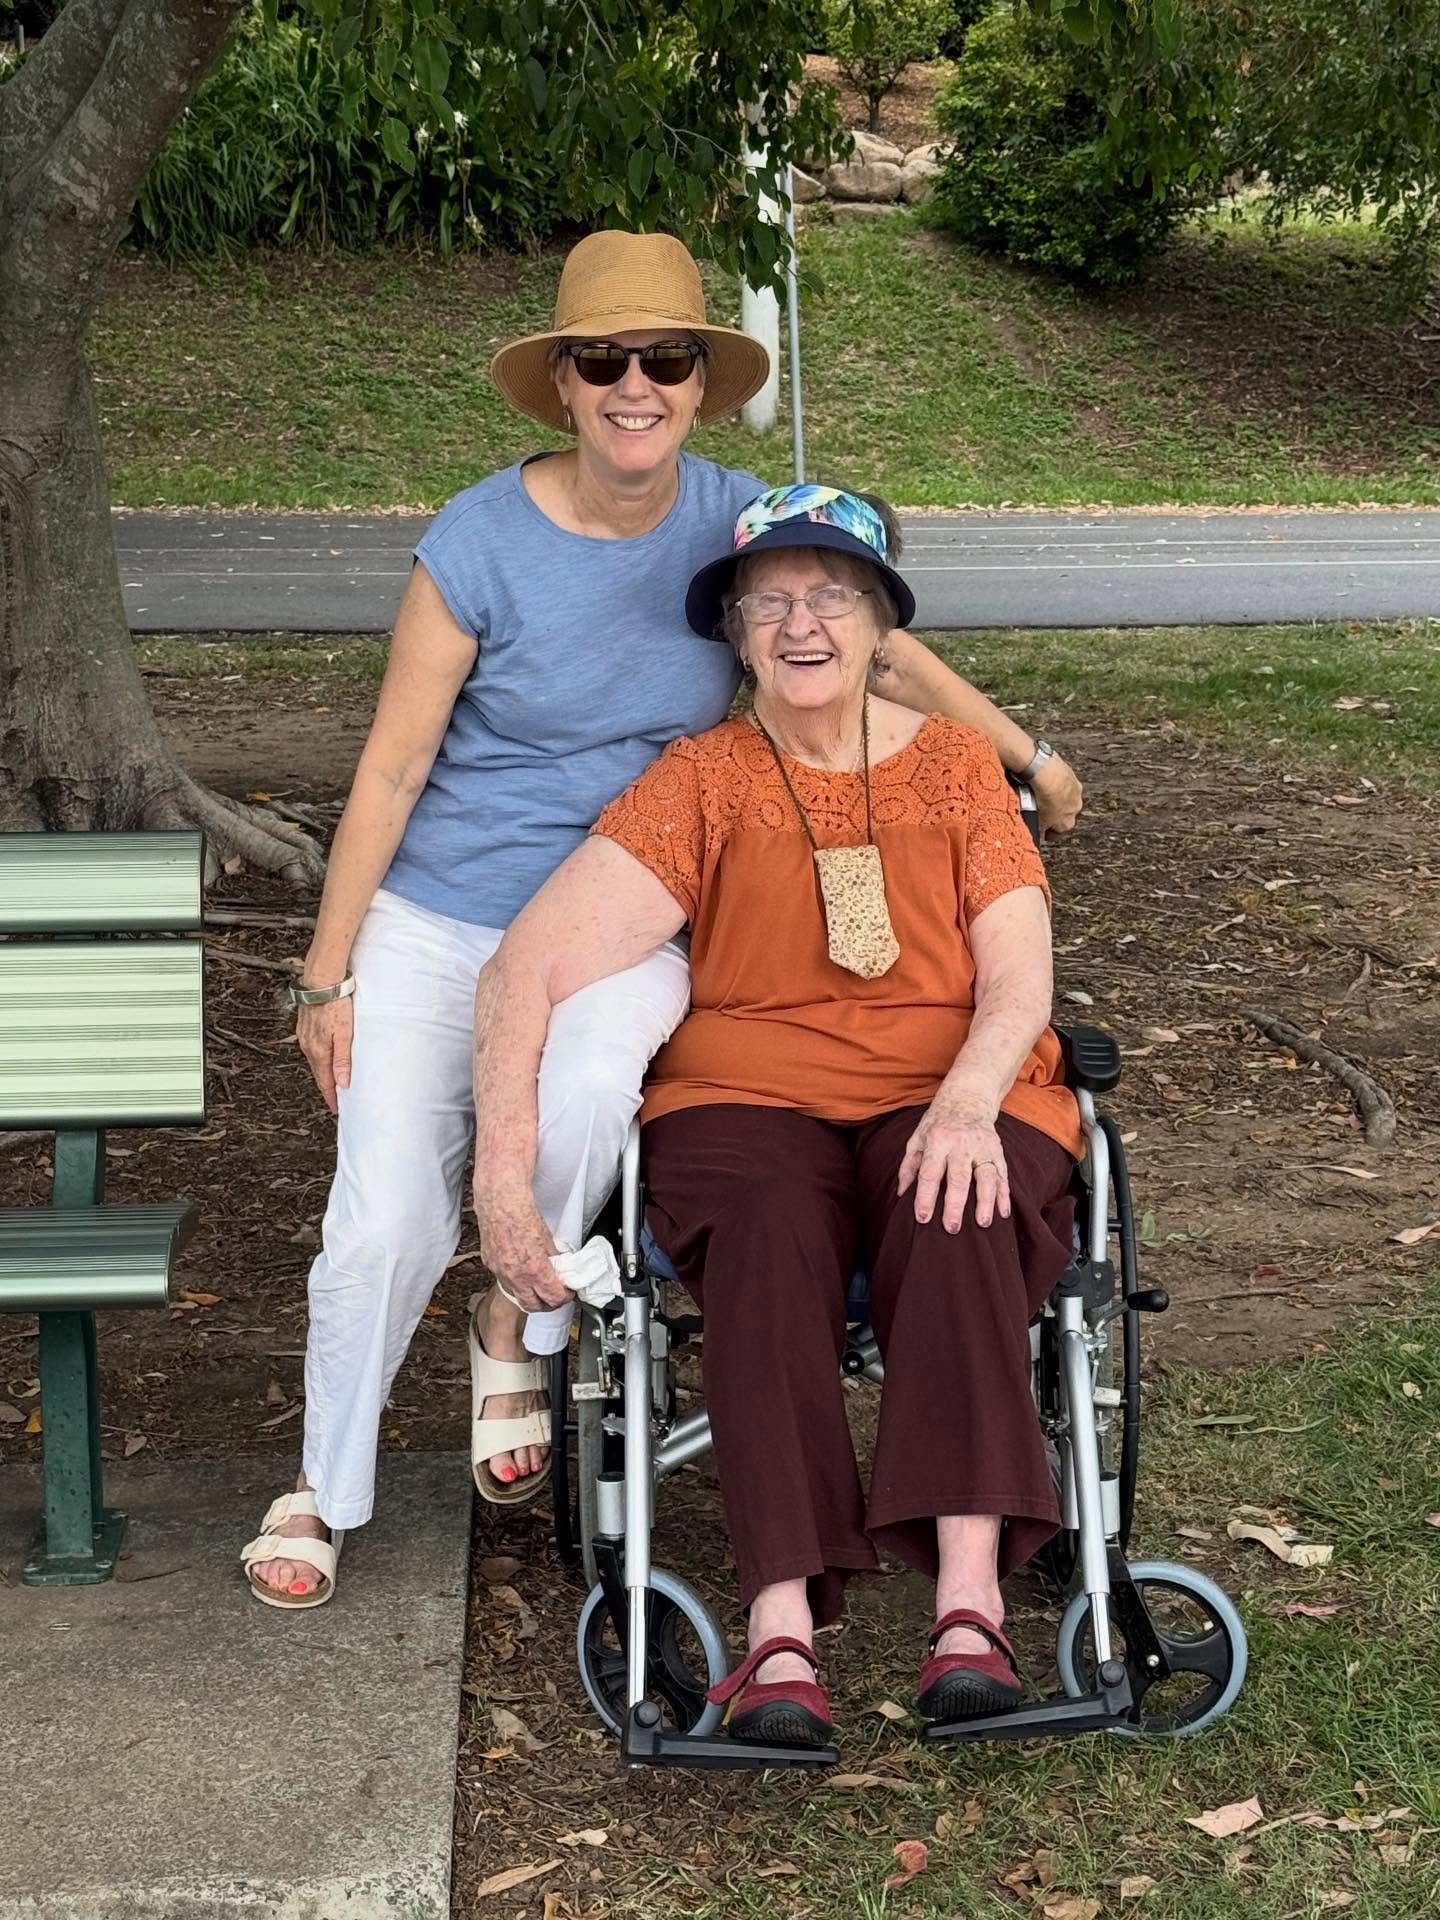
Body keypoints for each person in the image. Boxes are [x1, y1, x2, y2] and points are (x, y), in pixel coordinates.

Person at [240, 231, 1083, 1611]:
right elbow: (391, 768)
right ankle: (325, 1489)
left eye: (667, 359)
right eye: (604, 361)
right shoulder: (479, 541)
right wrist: (325, 975)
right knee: (387, 1206)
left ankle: (517, 1312)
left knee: (585, 1111)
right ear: (562, 384)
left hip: (637, 914)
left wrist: (1024, 756)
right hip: (449, 908)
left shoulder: (737, 523)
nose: (637, 384)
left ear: (701, 386)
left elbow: (885, 639)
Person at [471, 484, 1083, 1741]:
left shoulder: (963, 766)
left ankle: (969, 1609)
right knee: (759, 1230)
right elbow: (523, 967)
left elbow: (1021, 970)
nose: (803, 625)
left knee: (955, 1202)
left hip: (952, 1083)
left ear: (879, 625)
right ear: (738, 632)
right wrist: (503, 1181)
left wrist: (967, 1102)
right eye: (772, 603)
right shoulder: (700, 780)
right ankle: (780, 1627)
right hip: (749, 1092)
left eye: (832, 597)